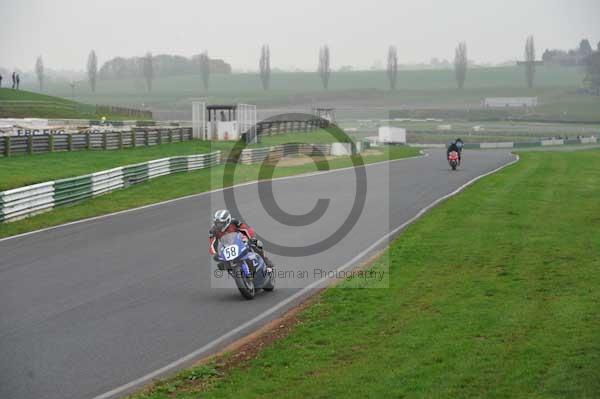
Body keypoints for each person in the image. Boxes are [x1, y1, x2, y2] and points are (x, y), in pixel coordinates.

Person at [208, 209, 274, 270]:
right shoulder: (213, 230)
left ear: (227, 221)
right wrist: (215, 253)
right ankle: (232, 271)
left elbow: (246, 229)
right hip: (226, 247)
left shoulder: (234, 222)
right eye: (217, 223)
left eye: (220, 223)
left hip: (239, 241)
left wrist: (251, 238)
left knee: (256, 243)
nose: (218, 225)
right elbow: (212, 244)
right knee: (220, 264)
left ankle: (265, 260)